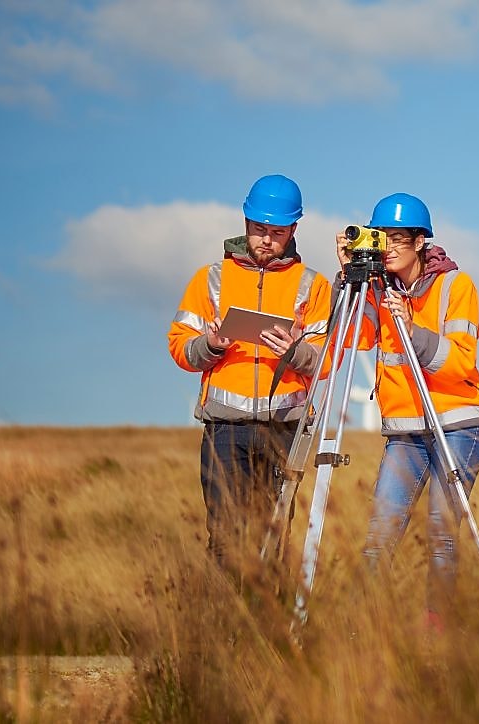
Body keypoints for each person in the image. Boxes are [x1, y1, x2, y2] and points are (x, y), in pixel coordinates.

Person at [336, 192, 479, 630]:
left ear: (421, 241)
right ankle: (356, 625)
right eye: (379, 237)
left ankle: (436, 627)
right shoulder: (377, 290)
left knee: (442, 534)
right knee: (380, 530)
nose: (387, 246)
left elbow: (461, 362)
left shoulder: (456, 287)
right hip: (406, 430)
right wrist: (348, 279)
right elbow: (352, 338)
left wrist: (412, 328)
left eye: (397, 238)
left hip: (457, 424)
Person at [168, 174, 332, 572]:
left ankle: (265, 624)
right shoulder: (211, 279)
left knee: (272, 539)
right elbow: (179, 346)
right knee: (225, 537)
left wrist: (295, 354)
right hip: (226, 431)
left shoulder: (312, 285)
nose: (266, 240)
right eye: (259, 229)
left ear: (294, 229)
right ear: (245, 221)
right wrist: (209, 347)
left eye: (277, 232)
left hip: (283, 431)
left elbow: (327, 359)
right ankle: (225, 627)